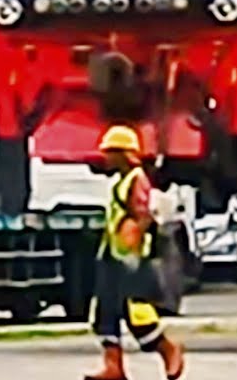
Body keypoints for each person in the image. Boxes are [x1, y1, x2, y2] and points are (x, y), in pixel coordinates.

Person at [85, 125, 185, 380]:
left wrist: (135, 233)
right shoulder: (120, 180)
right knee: (105, 312)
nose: (106, 157)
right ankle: (113, 366)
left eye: (111, 152)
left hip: (132, 260)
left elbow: (145, 215)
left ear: (125, 154)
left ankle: (168, 349)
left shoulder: (136, 180)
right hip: (112, 256)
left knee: (137, 314)